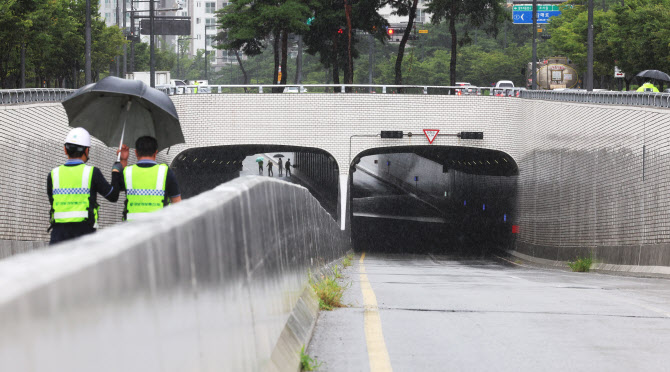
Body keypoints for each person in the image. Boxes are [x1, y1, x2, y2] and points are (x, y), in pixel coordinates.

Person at [47, 127, 125, 244]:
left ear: (65, 149)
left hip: (58, 236)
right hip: (84, 235)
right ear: (87, 151)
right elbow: (113, 196)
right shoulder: (92, 173)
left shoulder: (53, 174)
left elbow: (52, 201)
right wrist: (116, 170)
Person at [119, 136, 181, 221]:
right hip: (158, 228)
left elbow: (118, 186)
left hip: (131, 229)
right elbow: (177, 203)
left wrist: (123, 160)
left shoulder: (127, 172)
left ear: (136, 153)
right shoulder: (166, 172)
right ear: (155, 153)